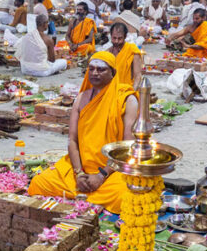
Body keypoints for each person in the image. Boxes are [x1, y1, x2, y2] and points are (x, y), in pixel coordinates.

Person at [27, 51, 138, 214]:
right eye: (91, 68)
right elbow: (72, 140)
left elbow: (128, 147)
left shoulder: (127, 100)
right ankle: (89, 196)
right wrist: (79, 173)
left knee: (124, 195)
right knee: (38, 183)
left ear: (113, 72)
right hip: (81, 168)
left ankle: (86, 196)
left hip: (112, 169)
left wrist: (101, 175)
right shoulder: (81, 98)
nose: (94, 73)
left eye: (101, 70)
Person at [78, 21, 141, 90]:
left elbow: (137, 76)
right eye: (114, 38)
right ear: (110, 36)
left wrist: (132, 92)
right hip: (110, 90)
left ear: (125, 36)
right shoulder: (107, 52)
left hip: (125, 90)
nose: (116, 41)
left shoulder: (132, 50)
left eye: (120, 38)